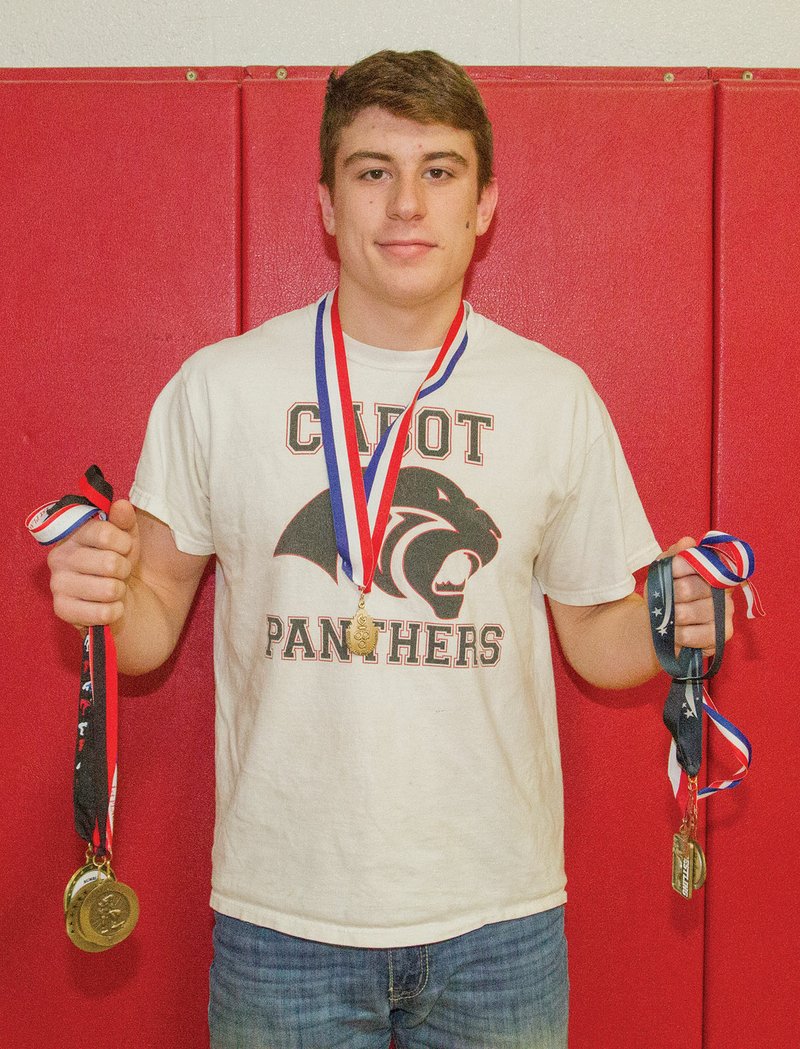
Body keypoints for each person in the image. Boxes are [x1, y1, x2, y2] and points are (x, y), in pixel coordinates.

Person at [46, 50, 733, 1049]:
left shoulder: (552, 396)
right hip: (284, 920)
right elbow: (147, 624)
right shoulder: (218, 388)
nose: (405, 202)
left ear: (483, 203)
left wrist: (676, 618)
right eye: (372, 171)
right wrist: (98, 594)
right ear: (326, 201)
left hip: (496, 919)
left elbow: (592, 635)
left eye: (439, 171)